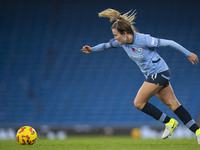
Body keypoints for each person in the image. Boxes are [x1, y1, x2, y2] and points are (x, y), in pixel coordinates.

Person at [81, 8, 200, 143]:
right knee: (173, 105)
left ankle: (169, 122)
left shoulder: (143, 39)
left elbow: (170, 42)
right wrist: (92, 49)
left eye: (116, 35)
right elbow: (106, 45)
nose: (114, 38)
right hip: (154, 75)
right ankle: (198, 131)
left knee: (138, 102)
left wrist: (188, 53)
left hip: (159, 72)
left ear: (125, 33)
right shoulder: (122, 43)